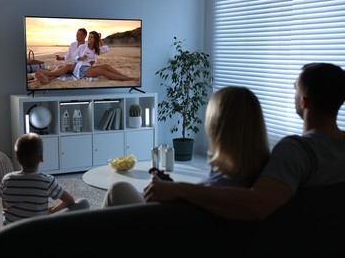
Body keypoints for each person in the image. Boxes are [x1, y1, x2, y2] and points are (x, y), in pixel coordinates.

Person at [141, 62, 345, 221]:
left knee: (118, 192)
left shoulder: (296, 151)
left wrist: (179, 189)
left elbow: (257, 204)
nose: (294, 94)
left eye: (295, 89)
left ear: (304, 101)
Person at [103, 86, 270, 206]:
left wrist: (174, 191)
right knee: (126, 191)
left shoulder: (226, 189)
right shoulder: (259, 173)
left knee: (118, 189)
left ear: (216, 126)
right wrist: (170, 188)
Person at [0, 132, 90, 225]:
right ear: (41, 158)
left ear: (17, 158)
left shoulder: (7, 179)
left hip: (10, 232)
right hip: (40, 230)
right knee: (83, 203)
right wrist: (53, 210)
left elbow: (5, 205)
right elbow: (70, 201)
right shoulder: (47, 181)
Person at [36, 31, 139, 84]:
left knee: (106, 66)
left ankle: (126, 78)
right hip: (79, 67)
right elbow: (75, 56)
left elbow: (106, 48)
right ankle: (47, 74)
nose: (89, 38)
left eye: (92, 37)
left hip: (87, 68)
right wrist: (80, 58)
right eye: (89, 36)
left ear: (95, 40)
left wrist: (100, 39)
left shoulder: (96, 49)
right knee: (67, 67)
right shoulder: (82, 46)